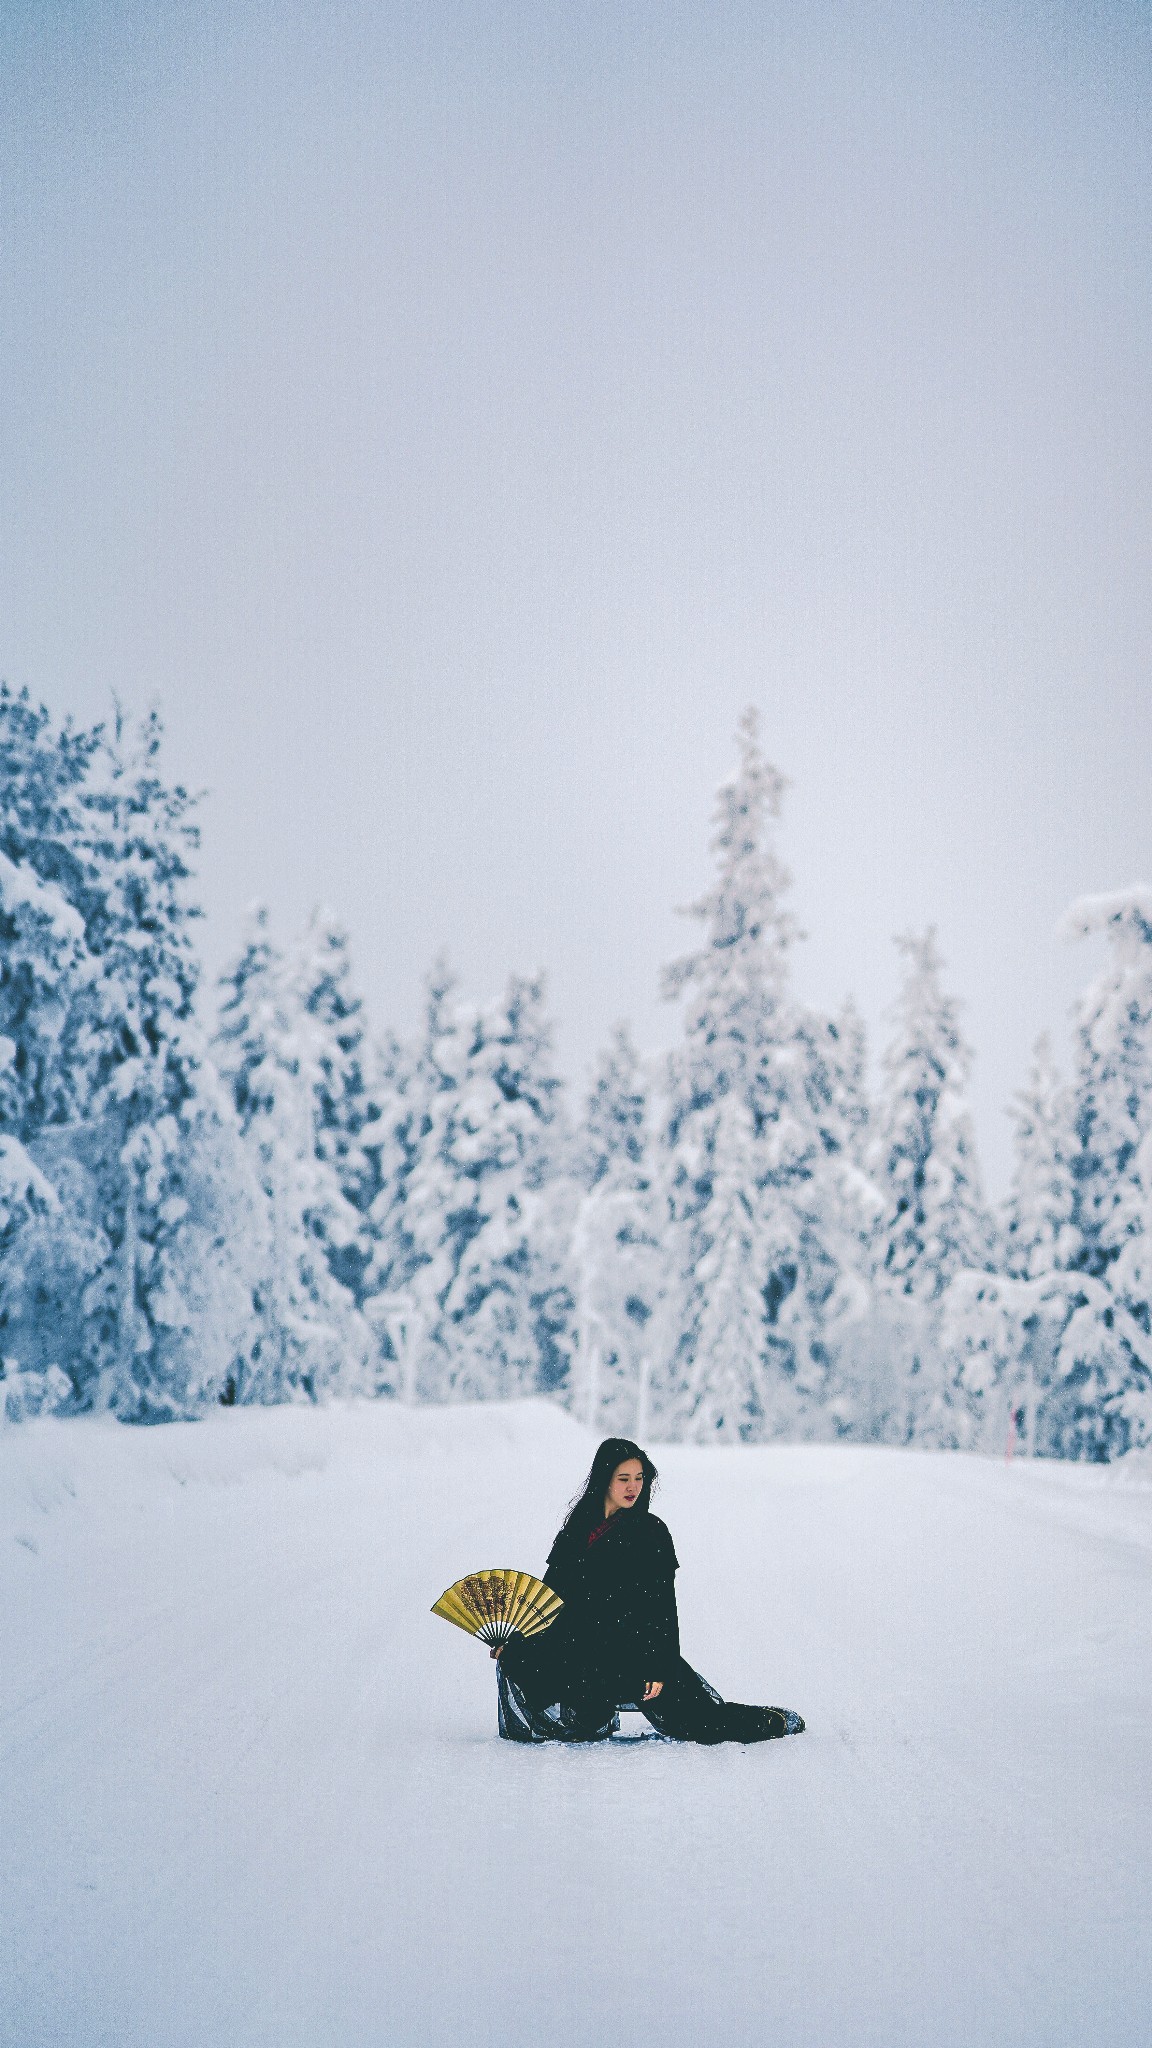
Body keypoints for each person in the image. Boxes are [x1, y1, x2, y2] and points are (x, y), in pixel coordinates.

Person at [496, 1437, 805, 1745]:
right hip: (582, 1647)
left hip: (635, 1652)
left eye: (640, 1478)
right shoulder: (576, 1530)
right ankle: (590, 1713)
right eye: (624, 1479)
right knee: (517, 1657)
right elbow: (549, 1596)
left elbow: (662, 1609)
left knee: (703, 1725)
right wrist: (517, 1639)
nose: (634, 1487)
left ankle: (771, 1721)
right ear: (604, 1480)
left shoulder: (651, 1532)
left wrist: (659, 1667)